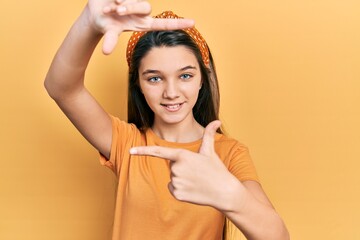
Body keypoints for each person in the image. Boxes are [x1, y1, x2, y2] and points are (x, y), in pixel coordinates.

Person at [44, 0, 290, 239]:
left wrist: (229, 194)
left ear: (202, 78)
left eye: (185, 75)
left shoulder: (228, 154)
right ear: (138, 84)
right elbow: (61, 87)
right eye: (154, 78)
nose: (171, 92)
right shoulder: (127, 143)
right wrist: (88, 23)